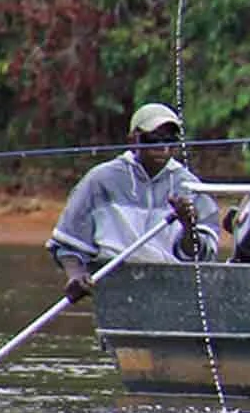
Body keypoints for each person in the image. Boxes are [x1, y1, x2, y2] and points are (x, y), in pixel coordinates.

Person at [47, 102, 223, 302]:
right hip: (116, 286)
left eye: (170, 141)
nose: (163, 148)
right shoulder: (101, 180)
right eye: (153, 139)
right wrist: (76, 276)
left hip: (172, 290)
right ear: (133, 140)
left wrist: (188, 227)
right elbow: (67, 244)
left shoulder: (190, 187)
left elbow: (202, 258)